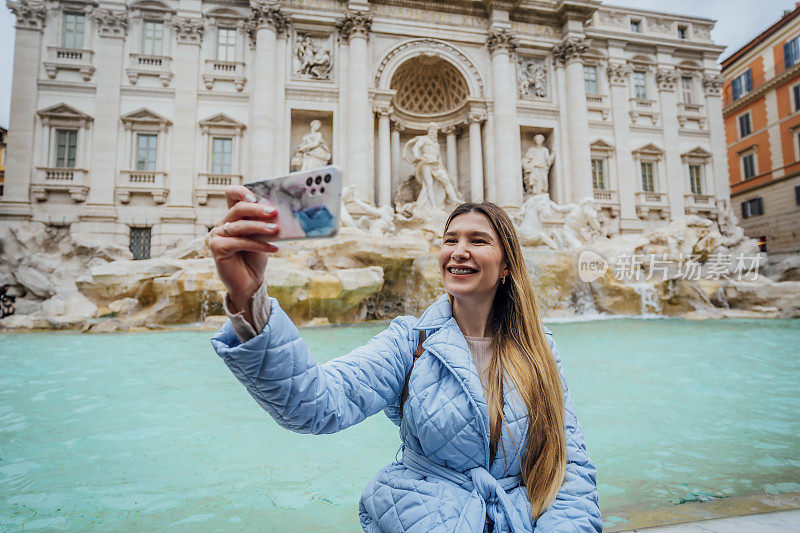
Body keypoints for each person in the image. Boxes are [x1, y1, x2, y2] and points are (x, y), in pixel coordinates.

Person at [208, 187, 601, 532]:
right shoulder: (409, 343)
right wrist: (250, 297)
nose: (458, 250)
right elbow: (315, 404)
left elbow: (569, 467)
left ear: (506, 266)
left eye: (478, 240)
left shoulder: (540, 349)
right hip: (424, 518)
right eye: (450, 239)